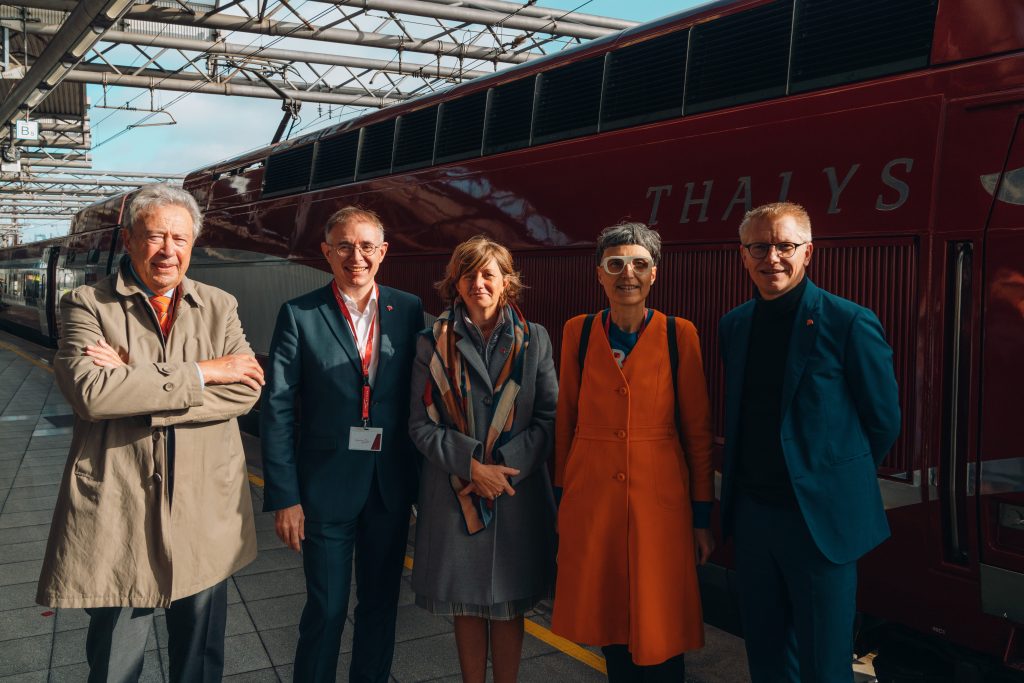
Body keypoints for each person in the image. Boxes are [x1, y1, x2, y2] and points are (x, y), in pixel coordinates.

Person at [37, 183, 265, 682]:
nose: (168, 251)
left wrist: (133, 381)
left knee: (199, 662)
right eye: (155, 236)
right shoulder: (86, 305)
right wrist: (204, 372)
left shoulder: (219, 305)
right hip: (121, 515)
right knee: (115, 664)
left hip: (204, 514)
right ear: (129, 238)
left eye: (180, 239)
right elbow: (92, 395)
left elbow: (246, 392)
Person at [719, 202, 901, 683]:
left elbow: (883, 421)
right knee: (767, 658)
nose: (772, 257)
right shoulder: (734, 325)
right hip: (754, 519)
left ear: (808, 253)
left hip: (820, 524)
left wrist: (828, 478)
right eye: (760, 246)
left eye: (785, 246)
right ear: (744, 255)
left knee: (824, 665)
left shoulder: (849, 322)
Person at [261, 206, 424, 683]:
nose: (357, 256)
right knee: (327, 609)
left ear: (383, 252)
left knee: (380, 608)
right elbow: (279, 410)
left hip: (389, 489)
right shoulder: (299, 314)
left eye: (367, 246)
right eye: (345, 246)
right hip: (324, 491)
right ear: (326, 252)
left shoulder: (408, 309)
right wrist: (285, 497)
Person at [551, 222, 715, 681]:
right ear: (599, 274)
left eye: (639, 264)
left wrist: (701, 517)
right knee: (609, 623)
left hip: (658, 508)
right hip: (593, 504)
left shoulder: (679, 335)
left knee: (661, 624)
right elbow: (565, 420)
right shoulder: (577, 333)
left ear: (654, 274)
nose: (628, 274)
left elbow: (697, 434)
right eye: (616, 264)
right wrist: (563, 501)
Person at [408, 236, 558, 683]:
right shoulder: (430, 341)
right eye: (468, 274)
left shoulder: (535, 341)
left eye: (489, 273)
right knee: (467, 605)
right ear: (454, 282)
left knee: (509, 606)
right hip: (457, 490)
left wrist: (502, 470)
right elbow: (419, 424)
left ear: (506, 282)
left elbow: (549, 419)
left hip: (516, 491)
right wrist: (472, 466)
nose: (479, 283)